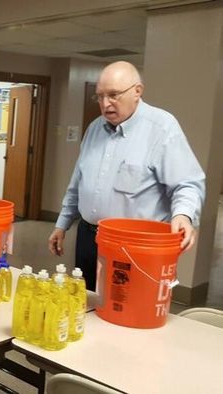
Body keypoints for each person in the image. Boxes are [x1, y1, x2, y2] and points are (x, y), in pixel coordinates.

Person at [48, 61, 205, 291]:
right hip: (89, 238)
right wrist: (62, 225)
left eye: (113, 95)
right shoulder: (94, 128)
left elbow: (187, 183)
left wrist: (183, 214)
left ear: (137, 91)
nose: (105, 104)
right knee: (88, 305)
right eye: (99, 96)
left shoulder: (162, 128)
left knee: (127, 310)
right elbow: (78, 184)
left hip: (133, 245)